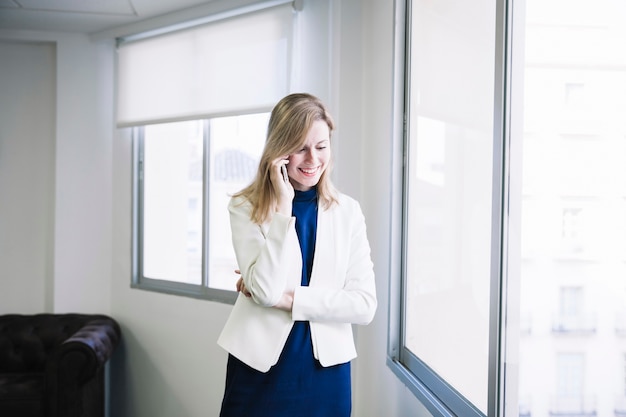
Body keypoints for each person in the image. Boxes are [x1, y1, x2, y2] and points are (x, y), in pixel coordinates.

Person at [217, 93, 377, 417]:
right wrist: (283, 206)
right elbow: (264, 291)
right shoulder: (244, 206)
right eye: (300, 148)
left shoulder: (348, 212)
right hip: (258, 372)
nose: (312, 159)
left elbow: (364, 304)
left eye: (321, 146)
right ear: (279, 150)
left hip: (325, 375)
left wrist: (290, 300)